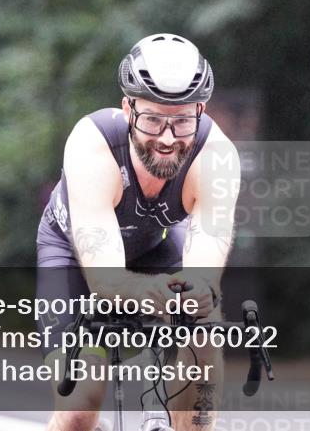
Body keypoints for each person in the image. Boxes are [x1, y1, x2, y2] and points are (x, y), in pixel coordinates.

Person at [36, 33, 239, 431]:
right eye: (152, 119)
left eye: (181, 120)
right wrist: (149, 294)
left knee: (203, 321)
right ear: (127, 108)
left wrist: (195, 292)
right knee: (78, 410)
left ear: (200, 110)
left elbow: (204, 271)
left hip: (156, 248)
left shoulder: (215, 157)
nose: (166, 138)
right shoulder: (94, 144)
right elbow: (104, 278)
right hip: (74, 260)